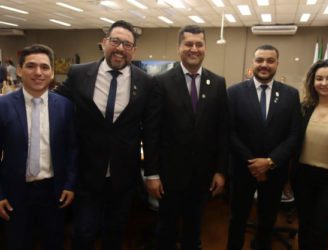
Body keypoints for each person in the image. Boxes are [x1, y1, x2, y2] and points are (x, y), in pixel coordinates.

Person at [55, 20, 156, 250]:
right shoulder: (79, 74)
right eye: (115, 41)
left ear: (133, 50)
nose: (120, 48)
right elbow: (55, 104)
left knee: (115, 233)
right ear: (104, 43)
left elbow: (150, 130)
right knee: (84, 231)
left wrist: (152, 173)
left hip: (123, 176)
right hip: (87, 173)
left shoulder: (146, 82)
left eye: (127, 44)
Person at [144, 25, 229, 250]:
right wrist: (151, 173)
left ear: (205, 48)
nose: (194, 49)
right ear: (179, 47)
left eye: (198, 44)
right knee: (166, 231)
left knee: (194, 230)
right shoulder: (160, 82)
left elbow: (222, 131)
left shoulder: (218, 83)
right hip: (168, 176)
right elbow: (151, 131)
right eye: (188, 44)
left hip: (202, 176)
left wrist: (221, 170)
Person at [0, 44, 77, 250]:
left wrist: (70, 184)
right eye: (31, 66)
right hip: (15, 192)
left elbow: (72, 148)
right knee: (18, 243)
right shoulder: (3, 106)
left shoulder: (64, 106)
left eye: (44, 67)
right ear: (19, 70)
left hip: (54, 191)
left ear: (52, 72)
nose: (38, 73)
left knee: (54, 242)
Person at [226, 44, 301, 250]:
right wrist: (253, 164)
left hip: (274, 172)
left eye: (270, 60)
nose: (264, 65)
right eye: (260, 60)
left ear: (277, 63)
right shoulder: (234, 92)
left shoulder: (290, 95)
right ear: (253, 63)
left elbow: (294, 135)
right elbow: (229, 132)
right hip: (243, 170)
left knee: (267, 221)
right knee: (237, 220)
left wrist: (269, 162)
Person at [293, 59, 328, 250]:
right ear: (312, 82)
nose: (324, 83)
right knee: (305, 229)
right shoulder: (303, 109)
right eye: (319, 79)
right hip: (303, 177)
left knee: (321, 232)